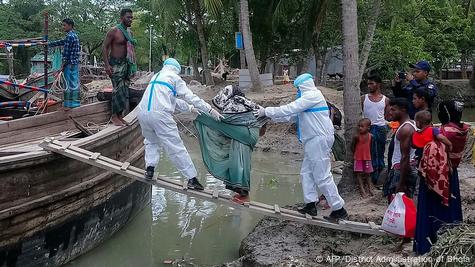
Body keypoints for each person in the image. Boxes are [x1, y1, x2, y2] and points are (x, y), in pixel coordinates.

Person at [254, 73, 347, 221]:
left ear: (303, 86)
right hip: (313, 140)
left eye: (297, 88)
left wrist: (266, 110)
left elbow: (290, 109)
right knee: (306, 173)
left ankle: (338, 208)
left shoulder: (312, 96)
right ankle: (310, 204)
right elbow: (289, 116)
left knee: (322, 176)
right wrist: (267, 114)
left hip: (318, 139)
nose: (297, 91)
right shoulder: (307, 100)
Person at [137, 58, 223, 191]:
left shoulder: (156, 76)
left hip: (142, 113)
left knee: (151, 141)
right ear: (176, 69)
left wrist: (190, 109)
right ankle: (192, 179)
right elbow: (191, 97)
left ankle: (149, 169)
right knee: (175, 146)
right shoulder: (174, 78)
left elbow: (171, 100)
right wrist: (210, 110)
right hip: (160, 115)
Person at [414, 101, 469, 255]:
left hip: (437, 176)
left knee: (434, 209)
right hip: (453, 173)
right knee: (452, 206)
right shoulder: (462, 129)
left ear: (443, 113)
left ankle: (429, 244)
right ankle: (453, 240)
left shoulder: (442, 132)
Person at [103, 8, 137, 126]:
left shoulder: (129, 33)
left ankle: (120, 115)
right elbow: (105, 47)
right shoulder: (114, 31)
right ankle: (114, 116)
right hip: (115, 65)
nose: (130, 19)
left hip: (126, 65)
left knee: (124, 91)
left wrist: (132, 66)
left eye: (131, 17)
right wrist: (107, 65)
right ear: (121, 18)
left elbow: (131, 50)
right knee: (117, 90)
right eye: (128, 17)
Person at [383, 98, 418, 202]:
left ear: (403, 110)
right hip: (402, 167)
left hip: (401, 170)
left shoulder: (405, 129)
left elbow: (405, 157)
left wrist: (401, 183)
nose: (390, 112)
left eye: (393, 110)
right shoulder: (410, 124)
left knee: (399, 204)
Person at [362, 74, 389, 184]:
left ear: (378, 85)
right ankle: (370, 178)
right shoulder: (363, 98)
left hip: (381, 128)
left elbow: (387, 116)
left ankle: (380, 177)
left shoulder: (385, 100)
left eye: (371, 83)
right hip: (368, 129)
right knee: (369, 154)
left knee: (380, 152)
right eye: (368, 84)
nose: (369, 86)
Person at [48, 18, 81, 110]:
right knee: (74, 83)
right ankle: (75, 103)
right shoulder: (74, 35)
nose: (63, 27)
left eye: (64, 25)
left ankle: (69, 105)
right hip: (74, 63)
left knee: (68, 84)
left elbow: (66, 54)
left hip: (69, 64)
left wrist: (62, 66)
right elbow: (62, 42)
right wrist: (50, 44)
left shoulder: (69, 36)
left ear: (70, 26)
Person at [351, 118, 374, 198]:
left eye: (362, 126)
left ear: (368, 128)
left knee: (368, 174)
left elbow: (371, 147)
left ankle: (370, 188)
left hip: (367, 158)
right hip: (358, 158)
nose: (360, 128)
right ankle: (362, 190)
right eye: (359, 126)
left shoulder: (371, 136)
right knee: (359, 174)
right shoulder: (357, 137)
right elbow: (352, 146)